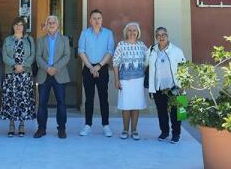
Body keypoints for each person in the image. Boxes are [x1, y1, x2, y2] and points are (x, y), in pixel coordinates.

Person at [77, 9, 115, 137]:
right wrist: (90, 67)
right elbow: (81, 50)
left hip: (102, 68)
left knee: (104, 98)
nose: (97, 20)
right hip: (88, 68)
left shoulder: (108, 34)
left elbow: (110, 51)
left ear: (102, 20)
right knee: (89, 98)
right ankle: (88, 125)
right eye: (94, 18)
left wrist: (98, 66)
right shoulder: (85, 33)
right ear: (90, 20)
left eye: (99, 18)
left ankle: (106, 125)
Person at [146, 26, 186, 144]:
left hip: (174, 86)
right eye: (158, 35)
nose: (161, 37)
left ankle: (176, 134)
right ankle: (164, 132)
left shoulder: (177, 50)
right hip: (159, 86)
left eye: (163, 35)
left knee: (176, 112)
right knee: (161, 111)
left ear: (167, 36)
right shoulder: (152, 50)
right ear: (156, 37)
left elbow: (183, 68)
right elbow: (145, 63)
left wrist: (182, 85)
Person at [34, 15, 71, 139]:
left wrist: (55, 68)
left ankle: (61, 129)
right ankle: (41, 128)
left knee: (61, 103)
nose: (51, 24)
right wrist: (47, 68)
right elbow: (38, 56)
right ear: (46, 25)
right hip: (44, 74)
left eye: (53, 22)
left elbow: (67, 56)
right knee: (42, 104)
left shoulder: (64, 39)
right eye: (49, 22)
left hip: (59, 74)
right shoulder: (40, 40)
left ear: (58, 24)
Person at [0, 17, 36, 137]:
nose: (18, 27)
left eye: (20, 25)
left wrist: (22, 66)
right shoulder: (8, 40)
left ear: (23, 27)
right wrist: (15, 65)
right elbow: (5, 56)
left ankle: (21, 125)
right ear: (13, 26)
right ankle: (11, 125)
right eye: (16, 24)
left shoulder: (29, 39)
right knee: (11, 99)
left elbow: (32, 55)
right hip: (11, 74)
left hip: (25, 74)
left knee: (23, 100)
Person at [113, 22, 147, 140]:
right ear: (126, 32)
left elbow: (147, 61)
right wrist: (116, 80)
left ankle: (134, 130)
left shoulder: (142, 45)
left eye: (134, 30)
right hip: (125, 80)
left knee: (136, 105)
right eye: (130, 30)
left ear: (138, 33)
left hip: (138, 80)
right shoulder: (121, 45)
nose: (132, 33)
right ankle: (125, 130)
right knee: (126, 105)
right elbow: (115, 63)